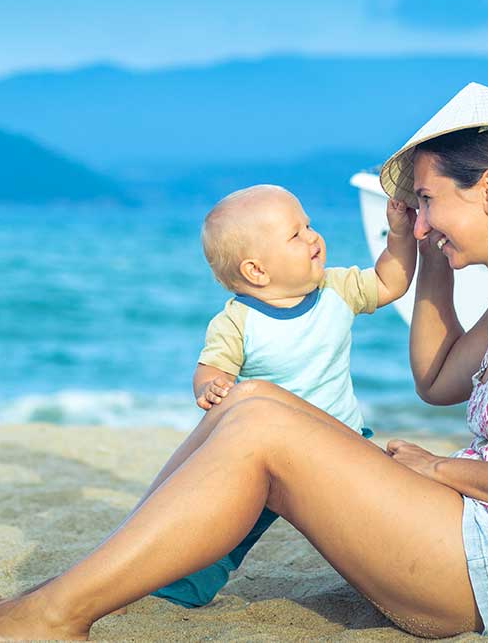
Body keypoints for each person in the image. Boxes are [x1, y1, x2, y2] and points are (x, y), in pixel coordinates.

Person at [0, 82, 488, 641]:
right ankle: (72, 587)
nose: (418, 219)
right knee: (250, 400)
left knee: (264, 429)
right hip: (484, 536)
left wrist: (440, 470)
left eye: (427, 201)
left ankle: (55, 614)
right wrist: (427, 255)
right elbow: (434, 380)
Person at [153, 183, 417, 608]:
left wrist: (400, 236)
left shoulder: (336, 288)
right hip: (268, 458)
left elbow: (391, 282)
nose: (313, 236)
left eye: (309, 225)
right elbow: (212, 366)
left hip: (344, 441)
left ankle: (399, 579)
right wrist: (211, 385)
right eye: (296, 234)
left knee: (368, 523)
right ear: (257, 271)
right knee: (229, 526)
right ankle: (181, 587)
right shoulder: (238, 321)